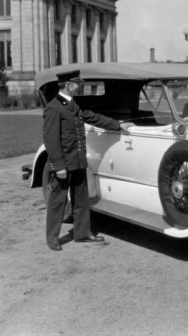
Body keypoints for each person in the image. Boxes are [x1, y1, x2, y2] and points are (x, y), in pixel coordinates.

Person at [43, 70, 134, 251]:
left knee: (81, 199)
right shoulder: (54, 107)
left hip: (78, 161)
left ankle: (82, 234)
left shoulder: (74, 105)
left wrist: (118, 125)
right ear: (68, 85)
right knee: (57, 201)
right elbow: (51, 140)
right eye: (77, 83)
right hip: (64, 164)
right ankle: (52, 238)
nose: (80, 86)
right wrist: (59, 166)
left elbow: (93, 117)